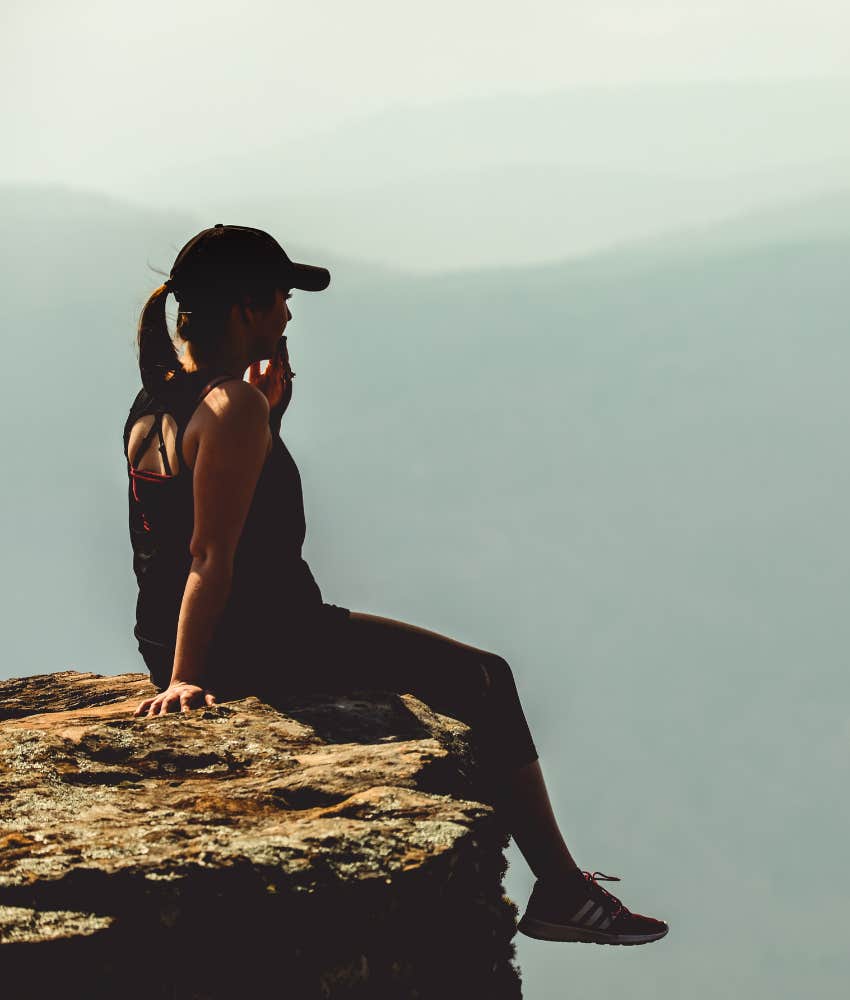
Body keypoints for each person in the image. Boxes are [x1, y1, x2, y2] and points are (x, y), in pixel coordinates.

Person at [125, 223, 668, 946]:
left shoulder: (158, 401)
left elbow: (177, 537)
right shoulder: (232, 408)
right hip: (265, 641)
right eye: (281, 300)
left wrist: (271, 425)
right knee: (484, 678)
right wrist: (190, 679)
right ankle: (562, 892)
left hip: (177, 636)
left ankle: (563, 889)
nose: (288, 316)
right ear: (245, 312)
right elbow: (208, 555)